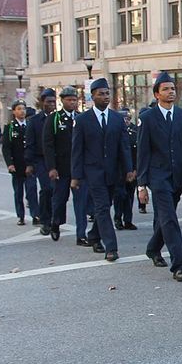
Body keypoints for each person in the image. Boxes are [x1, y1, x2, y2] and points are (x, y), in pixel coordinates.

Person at [137, 72, 182, 281]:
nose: (170, 92)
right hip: (157, 176)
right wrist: (142, 185)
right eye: (165, 89)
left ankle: (153, 248)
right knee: (170, 219)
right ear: (157, 94)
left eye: (172, 88)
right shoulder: (147, 118)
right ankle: (179, 266)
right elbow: (143, 152)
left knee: (167, 217)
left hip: (177, 176)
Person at [71, 78, 133, 262]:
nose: (105, 97)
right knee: (103, 207)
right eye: (101, 94)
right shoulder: (82, 120)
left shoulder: (116, 119)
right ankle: (111, 248)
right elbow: (77, 150)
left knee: (106, 206)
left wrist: (129, 169)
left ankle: (94, 236)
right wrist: (76, 176)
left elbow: (124, 146)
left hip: (114, 172)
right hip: (93, 173)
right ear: (93, 96)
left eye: (107, 93)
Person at [43, 86, 90, 245]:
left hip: (78, 168)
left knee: (81, 202)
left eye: (74, 99)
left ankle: (81, 234)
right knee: (60, 199)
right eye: (69, 100)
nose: (72, 102)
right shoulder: (54, 118)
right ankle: (55, 223)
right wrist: (51, 167)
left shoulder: (81, 118)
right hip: (61, 168)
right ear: (62, 101)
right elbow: (48, 145)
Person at [24, 88, 57, 236]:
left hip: (58, 159)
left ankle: (56, 218)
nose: (51, 104)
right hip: (41, 160)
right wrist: (29, 164)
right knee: (47, 189)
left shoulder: (59, 119)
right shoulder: (34, 121)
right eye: (48, 102)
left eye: (53, 102)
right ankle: (45, 220)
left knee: (58, 191)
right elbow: (30, 144)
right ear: (42, 103)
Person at [1, 101, 39, 226]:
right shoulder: (10, 127)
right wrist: (10, 164)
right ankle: (20, 216)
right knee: (18, 192)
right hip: (17, 165)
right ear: (14, 112)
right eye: (19, 109)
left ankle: (35, 215)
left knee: (32, 190)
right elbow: (6, 148)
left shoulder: (30, 125)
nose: (22, 111)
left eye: (23, 109)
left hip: (30, 165)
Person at [113, 108, 139, 231]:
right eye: (124, 119)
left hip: (132, 169)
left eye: (128, 119)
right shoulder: (115, 131)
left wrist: (135, 170)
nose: (126, 121)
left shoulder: (135, 131)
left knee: (129, 195)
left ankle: (128, 220)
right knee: (119, 195)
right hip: (118, 169)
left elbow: (138, 152)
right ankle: (118, 217)